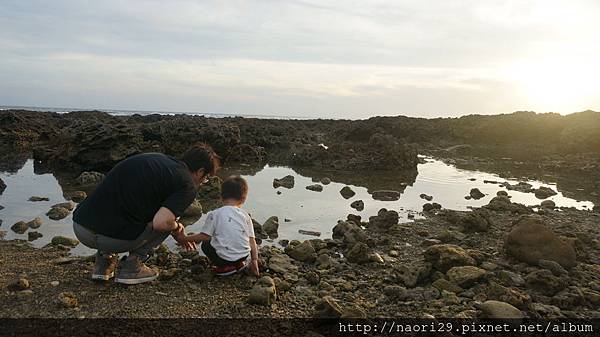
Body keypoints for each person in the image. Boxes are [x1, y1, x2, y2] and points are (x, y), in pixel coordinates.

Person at [72, 144, 220, 284]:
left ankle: (103, 263)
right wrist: (176, 228)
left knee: (120, 205)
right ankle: (133, 266)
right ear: (200, 172)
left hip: (80, 227)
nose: (203, 182)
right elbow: (162, 223)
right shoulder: (187, 184)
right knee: (166, 222)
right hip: (112, 240)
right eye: (206, 178)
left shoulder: (154, 159)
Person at [182, 176, 259, 276]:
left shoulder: (215, 214)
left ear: (221, 197)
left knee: (206, 245)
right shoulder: (246, 216)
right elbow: (252, 241)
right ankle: (239, 264)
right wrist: (254, 261)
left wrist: (185, 238)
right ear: (243, 199)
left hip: (224, 258)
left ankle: (225, 267)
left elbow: (205, 236)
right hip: (243, 256)